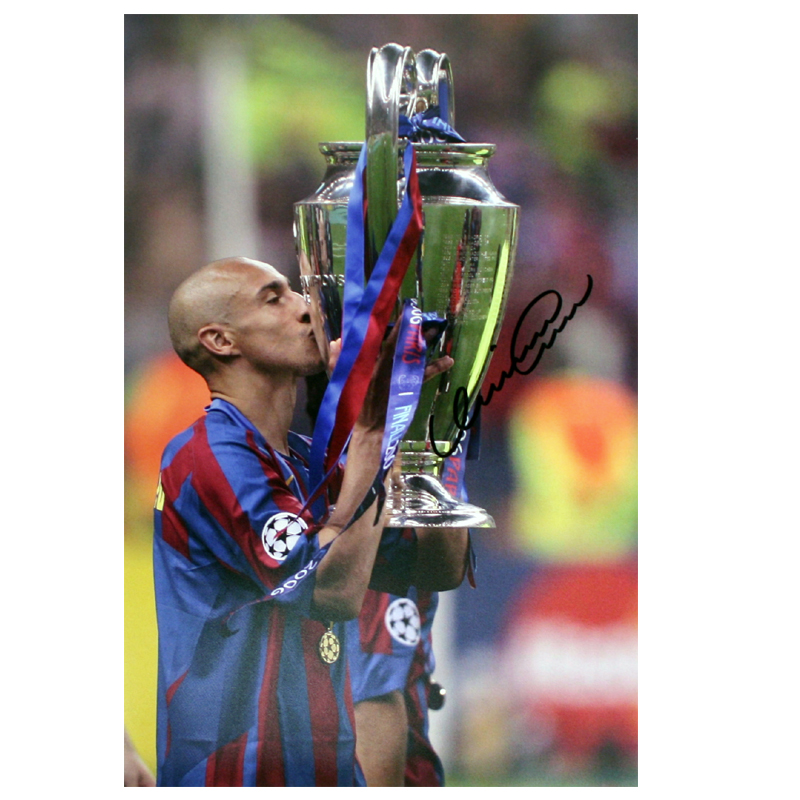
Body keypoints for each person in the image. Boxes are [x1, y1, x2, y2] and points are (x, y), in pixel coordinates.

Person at [153, 257, 460, 786]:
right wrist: (369, 435)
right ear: (221, 341)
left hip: (325, 768)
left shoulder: (306, 465)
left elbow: (435, 566)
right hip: (237, 774)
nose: (305, 307)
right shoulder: (206, 457)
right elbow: (331, 589)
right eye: (274, 298)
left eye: (296, 292)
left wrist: (419, 418)